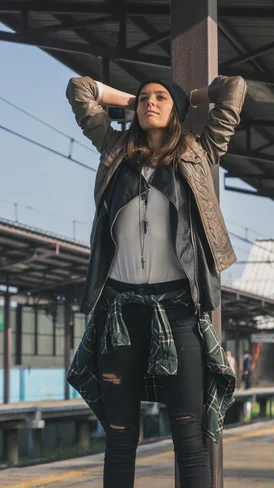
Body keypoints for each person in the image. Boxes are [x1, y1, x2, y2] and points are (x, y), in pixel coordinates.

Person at [65, 74, 247, 488]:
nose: (150, 102)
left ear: (177, 110)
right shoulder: (115, 150)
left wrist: (185, 98)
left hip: (178, 310)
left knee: (188, 434)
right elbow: (80, 88)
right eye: (144, 98)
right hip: (120, 312)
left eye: (160, 98)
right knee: (120, 435)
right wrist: (135, 100)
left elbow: (235, 88)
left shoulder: (199, 152)